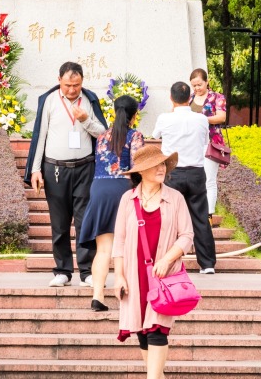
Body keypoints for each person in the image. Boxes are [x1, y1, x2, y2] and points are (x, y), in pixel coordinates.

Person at [113, 142, 194, 379]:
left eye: (163, 164)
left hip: (163, 275)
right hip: (133, 273)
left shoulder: (175, 198)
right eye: (155, 165)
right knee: (142, 331)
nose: (161, 169)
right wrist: (118, 275)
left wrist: (167, 260)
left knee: (157, 330)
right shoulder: (128, 200)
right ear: (141, 171)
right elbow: (119, 240)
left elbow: (187, 234)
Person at [24, 61, 107, 287]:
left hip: (84, 168)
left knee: (84, 221)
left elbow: (102, 133)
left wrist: (85, 120)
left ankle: (87, 271)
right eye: (68, 85)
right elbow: (39, 136)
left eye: (77, 85)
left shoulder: (89, 100)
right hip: (55, 169)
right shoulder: (49, 100)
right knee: (59, 223)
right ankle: (62, 270)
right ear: (59, 79)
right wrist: (35, 169)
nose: (72, 90)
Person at [79, 95, 145, 311]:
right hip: (123, 190)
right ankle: (124, 293)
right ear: (134, 115)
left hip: (99, 189)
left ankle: (97, 296)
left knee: (104, 248)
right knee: (124, 245)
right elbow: (138, 165)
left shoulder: (101, 136)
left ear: (114, 112)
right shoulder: (135, 136)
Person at [152, 81, 216, 273]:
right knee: (200, 217)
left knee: (169, 218)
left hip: (173, 174)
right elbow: (205, 141)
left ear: (171, 98)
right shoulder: (202, 119)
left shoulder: (165, 118)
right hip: (197, 173)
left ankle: (167, 260)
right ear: (190, 98)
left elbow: (155, 136)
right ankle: (207, 264)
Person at [190, 67, 227, 217]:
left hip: (211, 143)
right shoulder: (190, 98)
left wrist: (201, 119)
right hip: (192, 143)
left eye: (199, 84)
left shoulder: (217, 97)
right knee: (193, 178)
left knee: (209, 179)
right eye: (194, 85)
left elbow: (221, 117)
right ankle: (196, 212)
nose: (197, 88)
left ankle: (209, 214)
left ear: (207, 82)